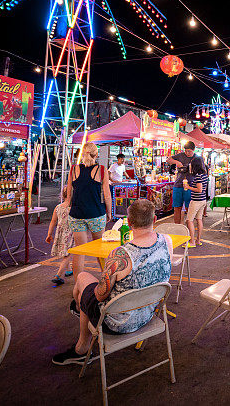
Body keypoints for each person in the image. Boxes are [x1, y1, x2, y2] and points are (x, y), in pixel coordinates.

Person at [53, 199, 173, 366]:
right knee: (87, 291)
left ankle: (81, 345)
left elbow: (100, 296)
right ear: (154, 220)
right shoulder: (167, 242)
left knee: (82, 280)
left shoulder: (120, 255)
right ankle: (80, 308)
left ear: (129, 223)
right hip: (148, 313)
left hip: (117, 323)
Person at [66, 142, 111, 277]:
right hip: (96, 213)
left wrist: (68, 202)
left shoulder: (73, 169)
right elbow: (107, 195)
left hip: (76, 214)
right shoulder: (101, 170)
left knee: (80, 251)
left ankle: (78, 284)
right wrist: (109, 212)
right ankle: (107, 279)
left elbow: (69, 190)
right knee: (100, 249)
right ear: (96, 154)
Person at [46, 187, 73, 286]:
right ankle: (58, 276)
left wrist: (49, 234)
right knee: (67, 254)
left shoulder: (58, 207)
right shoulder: (74, 207)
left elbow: (53, 221)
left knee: (65, 252)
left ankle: (69, 270)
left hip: (60, 233)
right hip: (71, 233)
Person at [167, 141, 196, 225]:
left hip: (190, 186)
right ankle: (177, 227)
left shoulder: (197, 158)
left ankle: (188, 228)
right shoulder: (180, 155)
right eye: (186, 151)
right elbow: (168, 159)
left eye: (189, 151)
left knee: (189, 208)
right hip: (178, 185)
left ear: (194, 150)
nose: (187, 153)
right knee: (177, 207)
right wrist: (176, 162)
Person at [183, 157, 209, 246]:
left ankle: (192, 242)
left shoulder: (198, 176)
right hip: (203, 200)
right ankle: (198, 240)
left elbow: (199, 189)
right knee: (199, 219)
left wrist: (188, 187)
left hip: (196, 201)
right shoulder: (205, 175)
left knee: (189, 220)